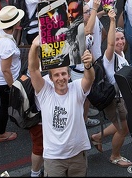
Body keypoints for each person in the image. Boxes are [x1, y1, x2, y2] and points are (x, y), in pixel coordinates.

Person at [28, 34, 95, 176]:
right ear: (50, 79)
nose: (61, 78)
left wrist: (88, 66)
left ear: (69, 75)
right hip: (54, 159)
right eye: (57, 75)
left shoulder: (77, 88)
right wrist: (34, 47)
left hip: (77, 155)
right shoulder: (45, 92)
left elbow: (89, 78)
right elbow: (33, 70)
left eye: (64, 74)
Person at [90, 11, 132, 168]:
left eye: (122, 38)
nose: (120, 42)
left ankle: (97, 136)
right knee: (123, 129)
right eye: (117, 40)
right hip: (115, 101)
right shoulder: (110, 58)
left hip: (121, 98)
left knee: (119, 123)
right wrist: (112, 20)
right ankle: (115, 156)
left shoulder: (121, 54)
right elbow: (109, 44)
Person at [0, 6, 24, 143]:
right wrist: (12, 87)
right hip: (4, 80)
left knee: (5, 103)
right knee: (5, 105)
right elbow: (6, 69)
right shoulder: (7, 45)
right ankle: (0, 133)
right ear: (15, 23)